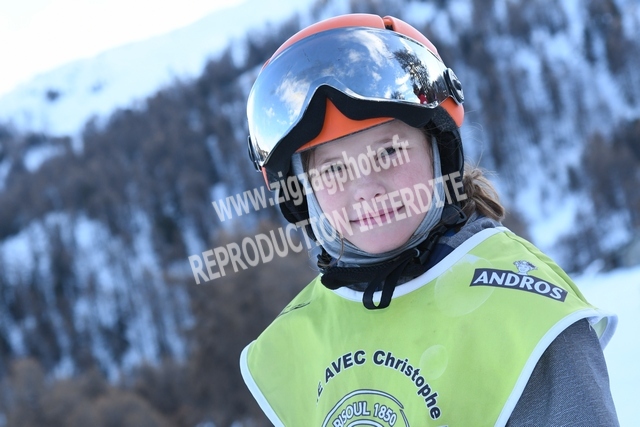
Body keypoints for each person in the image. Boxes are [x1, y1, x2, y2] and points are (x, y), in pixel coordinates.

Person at [240, 13, 619, 426]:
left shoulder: (523, 313)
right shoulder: (293, 346)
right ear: (304, 192)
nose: (366, 189)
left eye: (388, 152)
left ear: (438, 151)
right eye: (333, 169)